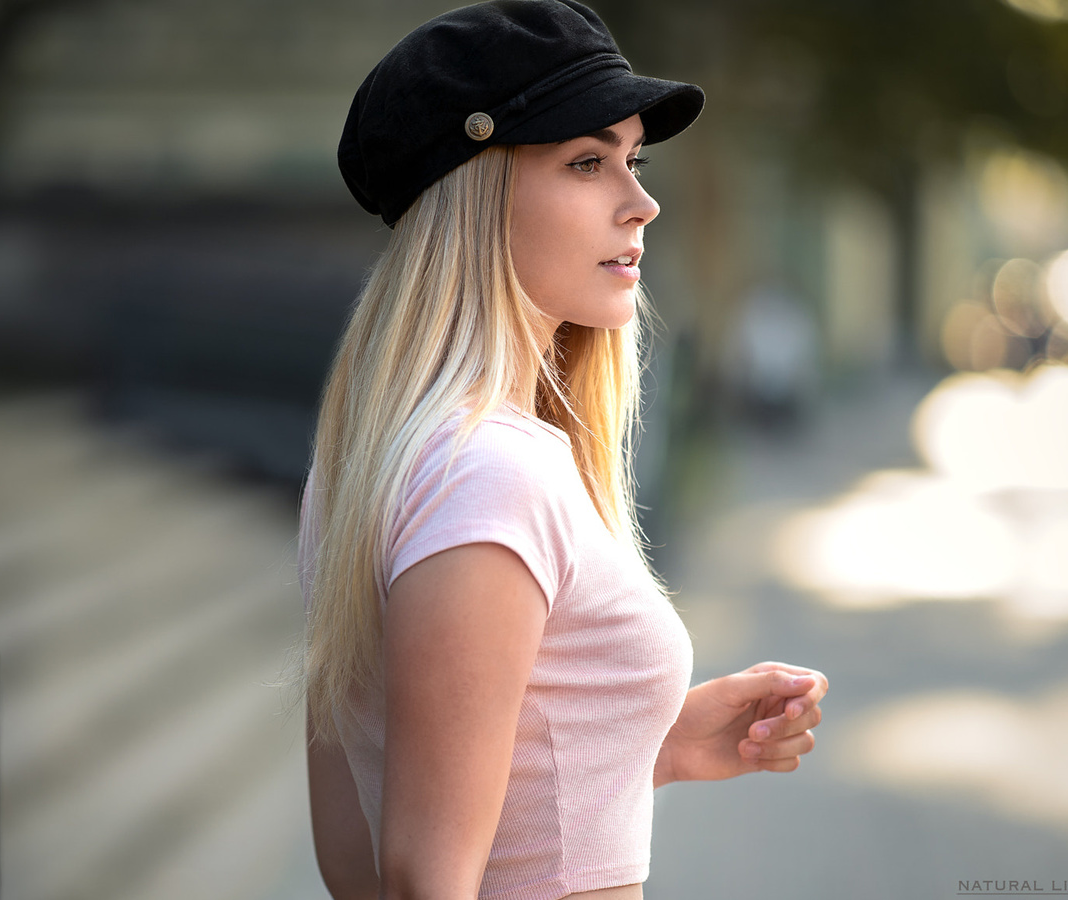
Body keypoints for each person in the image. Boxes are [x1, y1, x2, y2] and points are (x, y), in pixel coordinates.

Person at [297, 3, 829, 898]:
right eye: (586, 162)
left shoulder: (373, 464)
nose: (642, 201)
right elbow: (422, 879)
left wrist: (645, 740)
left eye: (632, 158)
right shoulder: (487, 474)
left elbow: (360, 838)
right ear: (473, 199)